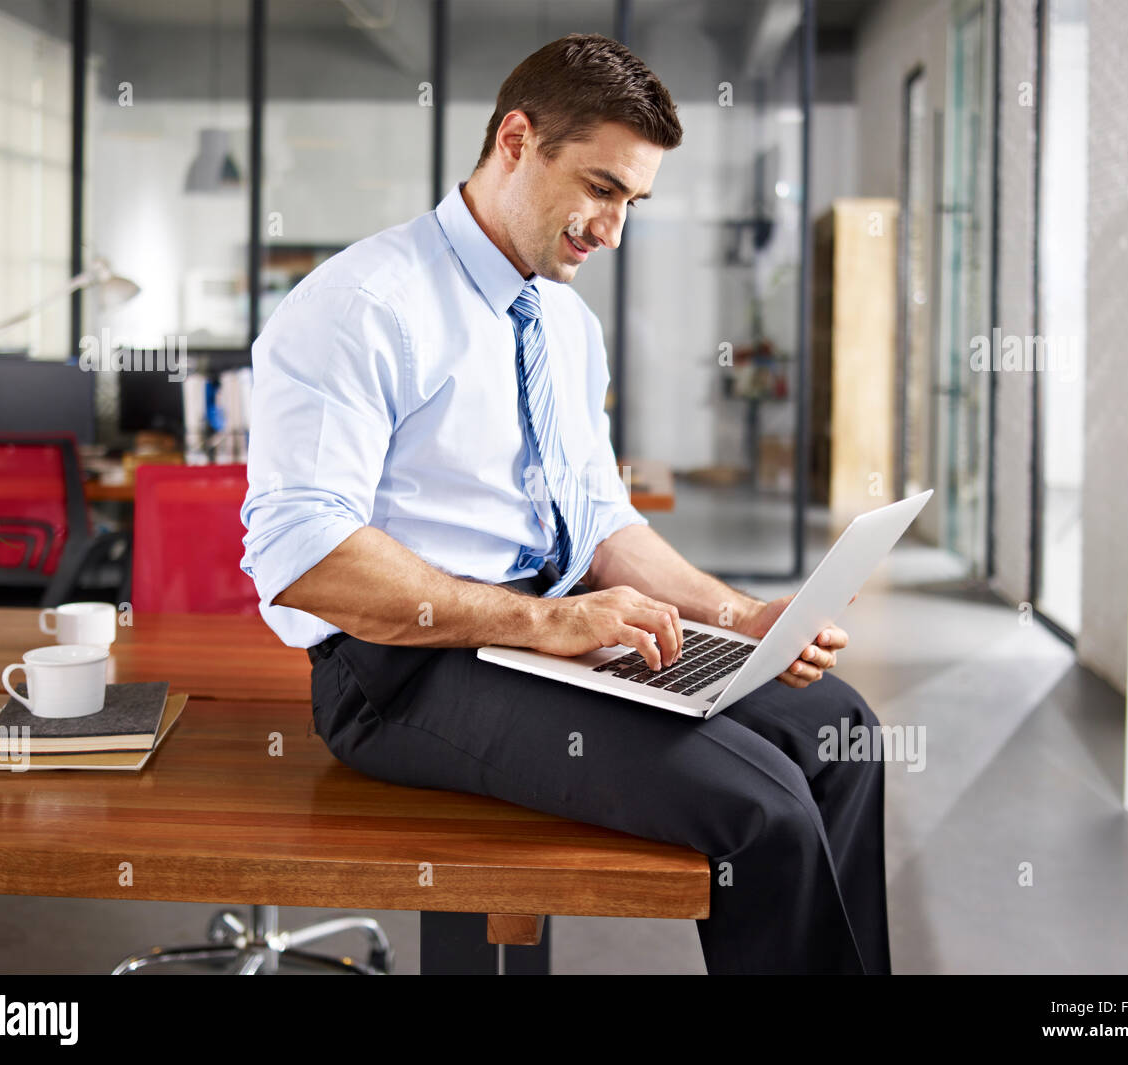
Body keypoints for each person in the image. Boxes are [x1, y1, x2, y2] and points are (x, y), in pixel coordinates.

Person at [240, 32, 889, 975]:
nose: (614, 229)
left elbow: (599, 523)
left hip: (542, 634)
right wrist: (544, 620)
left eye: (633, 201)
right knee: (768, 807)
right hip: (399, 673)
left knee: (843, 733)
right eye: (601, 187)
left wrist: (743, 617)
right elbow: (302, 555)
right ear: (517, 140)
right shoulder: (364, 305)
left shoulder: (566, 325)